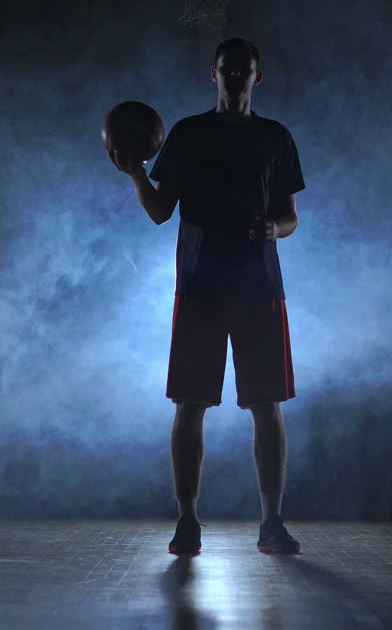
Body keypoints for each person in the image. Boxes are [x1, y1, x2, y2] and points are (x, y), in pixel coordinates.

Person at [119, 37, 305, 554]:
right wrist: (135, 172)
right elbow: (160, 211)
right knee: (190, 403)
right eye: (228, 69)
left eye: (245, 70)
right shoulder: (188, 133)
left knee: (267, 405)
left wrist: (275, 228)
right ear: (214, 74)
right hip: (200, 285)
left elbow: (290, 217)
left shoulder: (275, 136)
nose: (236, 77)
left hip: (259, 286)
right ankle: (187, 521)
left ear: (258, 77)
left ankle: (272, 522)